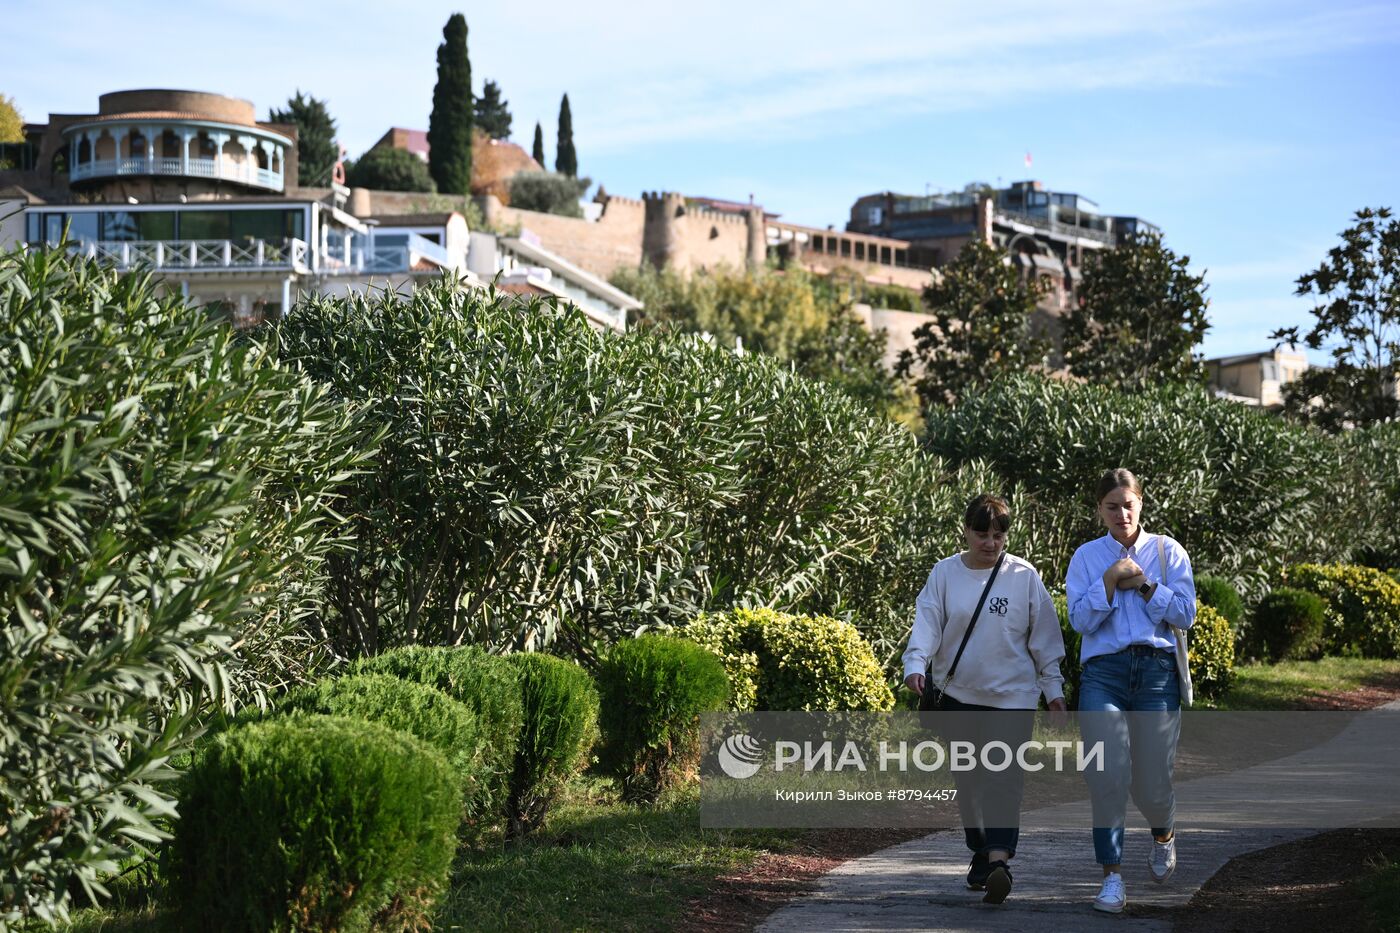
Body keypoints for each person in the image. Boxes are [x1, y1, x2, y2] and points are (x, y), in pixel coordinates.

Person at [902, 493, 1067, 906]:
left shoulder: (1023, 576)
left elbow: (1045, 639)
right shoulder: (944, 574)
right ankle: (981, 853)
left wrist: (1054, 691)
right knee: (969, 783)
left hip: (1013, 696)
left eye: (998, 535)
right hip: (958, 695)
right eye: (982, 534)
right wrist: (916, 664)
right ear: (966, 531)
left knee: (1003, 778)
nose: (991, 543)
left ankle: (999, 862)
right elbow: (927, 623)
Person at [1066, 468, 1196, 914]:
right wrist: (1109, 579)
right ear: (1099, 510)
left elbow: (1184, 614)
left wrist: (1142, 584)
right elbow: (1080, 621)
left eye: (1128, 504)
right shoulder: (1085, 556)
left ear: (1141, 503)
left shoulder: (1168, 551)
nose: (1121, 513)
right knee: (1106, 774)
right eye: (1111, 506)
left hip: (1157, 673)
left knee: (1154, 783)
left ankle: (1164, 834)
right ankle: (1112, 877)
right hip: (1104, 673)